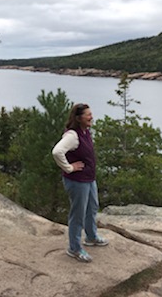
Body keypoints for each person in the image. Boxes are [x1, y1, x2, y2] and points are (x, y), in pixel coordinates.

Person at [52, 103, 108, 263]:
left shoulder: (85, 131)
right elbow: (57, 152)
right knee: (78, 214)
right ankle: (74, 249)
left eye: (91, 113)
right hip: (77, 181)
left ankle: (91, 237)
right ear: (78, 118)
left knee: (92, 207)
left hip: (88, 179)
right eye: (88, 115)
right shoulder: (72, 135)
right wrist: (69, 168)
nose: (92, 117)